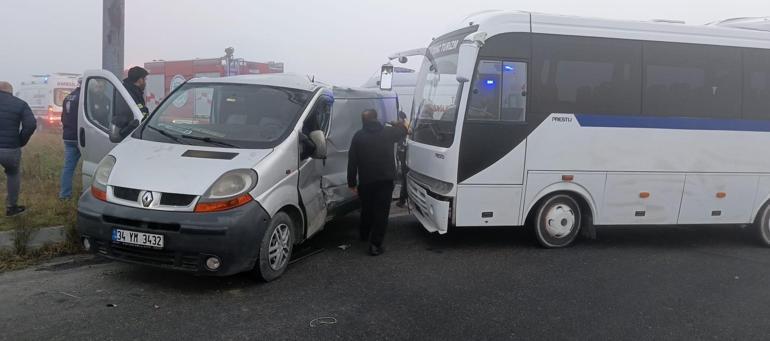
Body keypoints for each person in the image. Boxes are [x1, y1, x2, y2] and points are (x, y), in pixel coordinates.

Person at [347, 109, 407, 256]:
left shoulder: (358, 136)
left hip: (366, 181)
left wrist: (352, 182)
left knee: (366, 209)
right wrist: (396, 122)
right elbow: (404, 129)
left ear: (363, 120)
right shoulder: (388, 132)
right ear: (376, 118)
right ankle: (375, 245)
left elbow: (352, 161)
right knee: (381, 213)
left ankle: (364, 235)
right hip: (385, 181)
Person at [0, 81, 37, 216]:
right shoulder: (20, 104)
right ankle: (11, 207)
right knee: (13, 174)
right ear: (11, 91)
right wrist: (21, 141)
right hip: (11, 149)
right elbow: (31, 124)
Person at [111, 66, 148, 142]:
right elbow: (129, 117)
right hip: (129, 137)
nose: (145, 82)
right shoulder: (129, 94)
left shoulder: (134, 92)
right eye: (144, 79)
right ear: (140, 80)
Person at [59, 80, 81, 200]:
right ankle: (89, 193)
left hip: (68, 136)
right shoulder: (84, 98)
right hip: (81, 137)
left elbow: (63, 117)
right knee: (90, 165)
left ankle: (64, 195)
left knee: (68, 167)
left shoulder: (68, 97)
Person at [395, 111, 410, 208]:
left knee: (405, 178)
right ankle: (403, 199)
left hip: (404, 155)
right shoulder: (406, 125)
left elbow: (401, 143)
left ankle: (402, 200)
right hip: (405, 154)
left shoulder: (403, 127)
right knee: (405, 177)